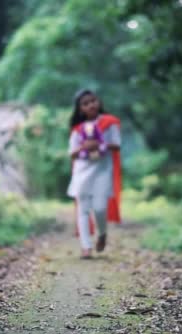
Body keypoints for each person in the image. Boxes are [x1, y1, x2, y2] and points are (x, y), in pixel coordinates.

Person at [67, 89, 122, 259]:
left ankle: (102, 233)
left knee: (100, 208)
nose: (91, 105)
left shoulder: (109, 123)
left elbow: (117, 145)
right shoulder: (77, 129)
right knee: (83, 209)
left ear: (99, 102)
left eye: (93, 101)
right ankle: (86, 246)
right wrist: (84, 147)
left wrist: (99, 144)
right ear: (80, 109)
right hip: (82, 171)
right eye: (85, 103)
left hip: (102, 170)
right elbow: (72, 153)